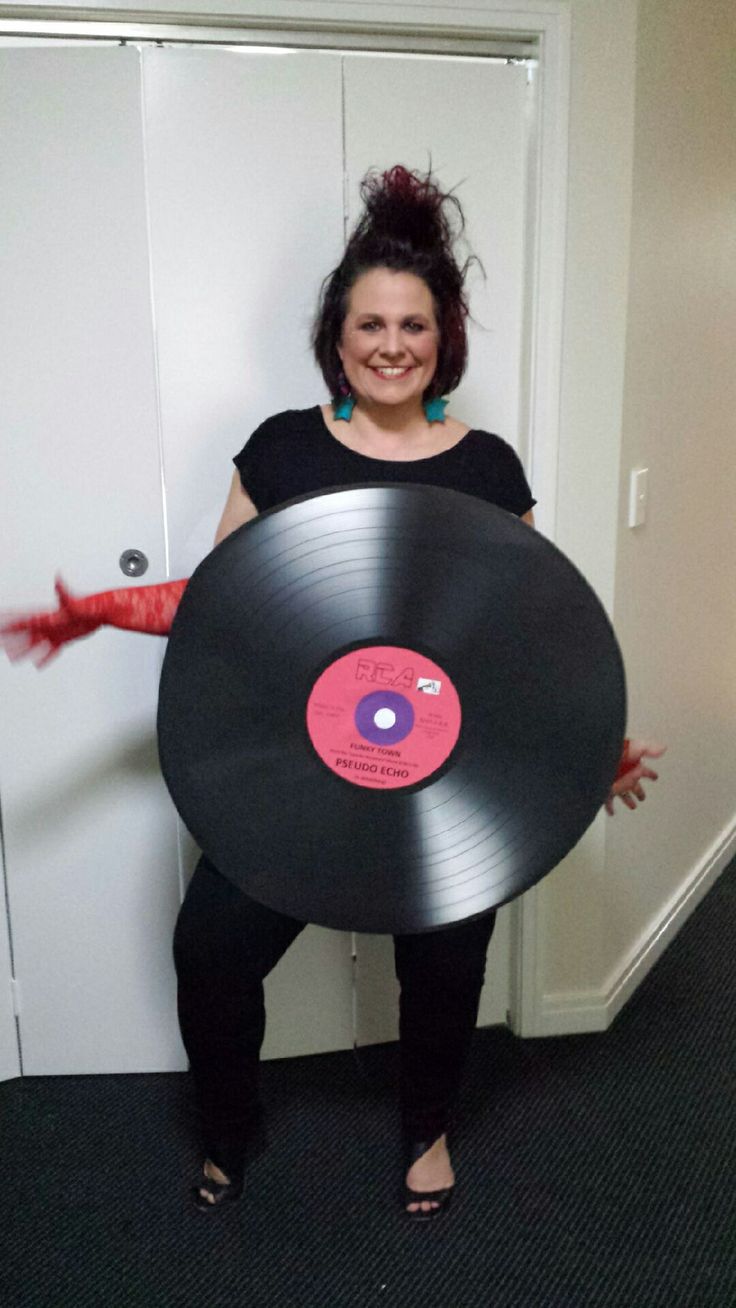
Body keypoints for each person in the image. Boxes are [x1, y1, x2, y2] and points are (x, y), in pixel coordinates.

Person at [1, 166, 664, 1219]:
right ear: (337, 336)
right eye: (370, 324)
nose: (392, 344)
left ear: (441, 335)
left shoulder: (486, 466)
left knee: (444, 968)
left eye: (413, 324)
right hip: (293, 770)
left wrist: (598, 746)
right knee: (212, 951)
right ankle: (230, 1126)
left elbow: (531, 637)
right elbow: (225, 601)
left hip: (445, 779)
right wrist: (101, 611)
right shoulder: (283, 447)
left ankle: (427, 1131)